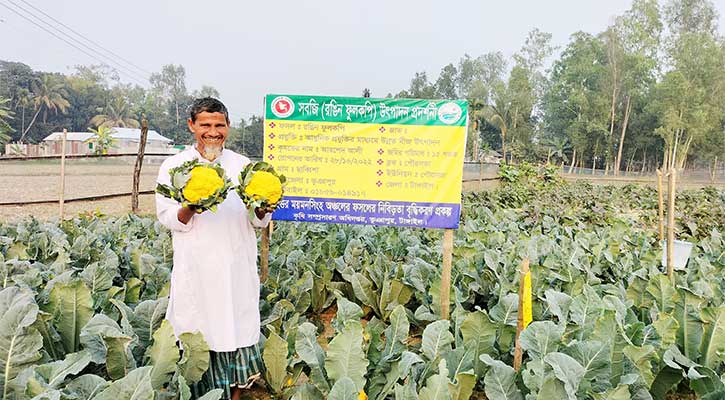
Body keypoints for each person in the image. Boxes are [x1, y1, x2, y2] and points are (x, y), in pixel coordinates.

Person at [155, 97, 271, 400]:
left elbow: (259, 220)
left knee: (236, 331)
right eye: (205, 124)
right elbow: (169, 217)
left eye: (219, 125)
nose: (213, 131)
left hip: (236, 266)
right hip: (196, 267)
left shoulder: (243, 167)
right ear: (192, 125)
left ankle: (233, 394)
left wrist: (264, 208)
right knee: (199, 331)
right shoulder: (174, 166)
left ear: (228, 127)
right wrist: (191, 206)